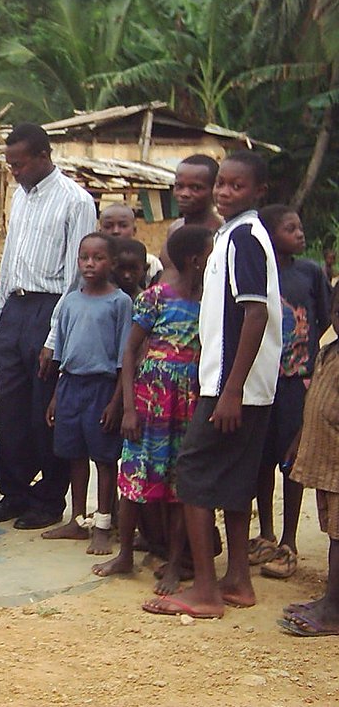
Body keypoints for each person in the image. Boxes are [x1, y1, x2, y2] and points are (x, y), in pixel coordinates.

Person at [144, 149, 282, 619]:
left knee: (194, 478)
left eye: (235, 186)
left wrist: (230, 390)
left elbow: (256, 310)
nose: (224, 192)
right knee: (235, 482)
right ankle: (238, 580)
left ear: (259, 191)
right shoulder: (233, 235)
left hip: (231, 387)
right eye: (221, 183)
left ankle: (204, 590)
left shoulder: (245, 238)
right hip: (240, 385)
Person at [92, 225, 213, 592]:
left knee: (180, 487)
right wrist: (129, 408)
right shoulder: (155, 297)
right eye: (211, 254)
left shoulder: (210, 302)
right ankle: (125, 553)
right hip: (149, 402)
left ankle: (175, 563)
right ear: (195, 260)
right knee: (134, 480)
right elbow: (130, 351)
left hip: (188, 404)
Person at [0, 123, 97, 530]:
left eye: (19, 164)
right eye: (10, 165)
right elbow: (9, 260)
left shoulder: (76, 201)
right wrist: (1, 319)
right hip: (15, 311)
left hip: (51, 309)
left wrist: (55, 336)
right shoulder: (19, 197)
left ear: (42, 157)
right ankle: (14, 492)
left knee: (45, 412)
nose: (14, 171)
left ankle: (49, 499)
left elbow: (78, 275)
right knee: (9, 409)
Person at [249, 205, 332, 579]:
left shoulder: (310, 272)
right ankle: (265, 533)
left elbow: (327, 317)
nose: (299, 234)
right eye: (290, 228)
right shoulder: (256, 273)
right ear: (268, 235)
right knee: (262, 459)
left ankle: (289, 541)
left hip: (297, 381)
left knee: (291, 461)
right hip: (261, 380)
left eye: (300, 227)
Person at [42, 233, 132, 554]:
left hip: (102, 387)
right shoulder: (69, 301)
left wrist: (116, 402)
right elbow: (62, 354)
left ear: (113, 263)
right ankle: (77, 520)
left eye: (98, 258)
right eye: (84, 258)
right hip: (70, 387)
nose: (90, 264)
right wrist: (56, 397)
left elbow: (125, 358)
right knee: (74, 455)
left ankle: (104, 525)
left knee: (104, 458)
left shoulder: (120, 303)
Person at [279, 287, 339, 636]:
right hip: (327, 464)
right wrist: (299, 440)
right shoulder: (327, 353)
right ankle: (331, 599)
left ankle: (332, 610)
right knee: (333, 534)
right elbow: (315, 401)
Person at [160, 154, 222, 278]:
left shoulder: (220, 234)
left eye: (196, 188)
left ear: (214, 189)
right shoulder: (174, 229)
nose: (185, 194)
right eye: (179, 186)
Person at [100, 204, 163, 286]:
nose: (116, 231)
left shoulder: (151, 261)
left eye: (123, 225)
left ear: (134, 230)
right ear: (100, 231)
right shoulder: (94, 261)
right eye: (108, 226)